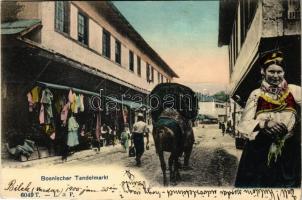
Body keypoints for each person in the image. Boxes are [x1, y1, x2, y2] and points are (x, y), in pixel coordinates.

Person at [235, 50, 301, 188]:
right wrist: (265, 124)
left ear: (284, 72)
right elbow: (243, 125)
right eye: (271, 71)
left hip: (288, 152)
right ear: (262, 71)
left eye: (279, 72)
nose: (276, 76)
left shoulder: (295, 91)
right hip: (259, 152)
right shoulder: (256, 94)